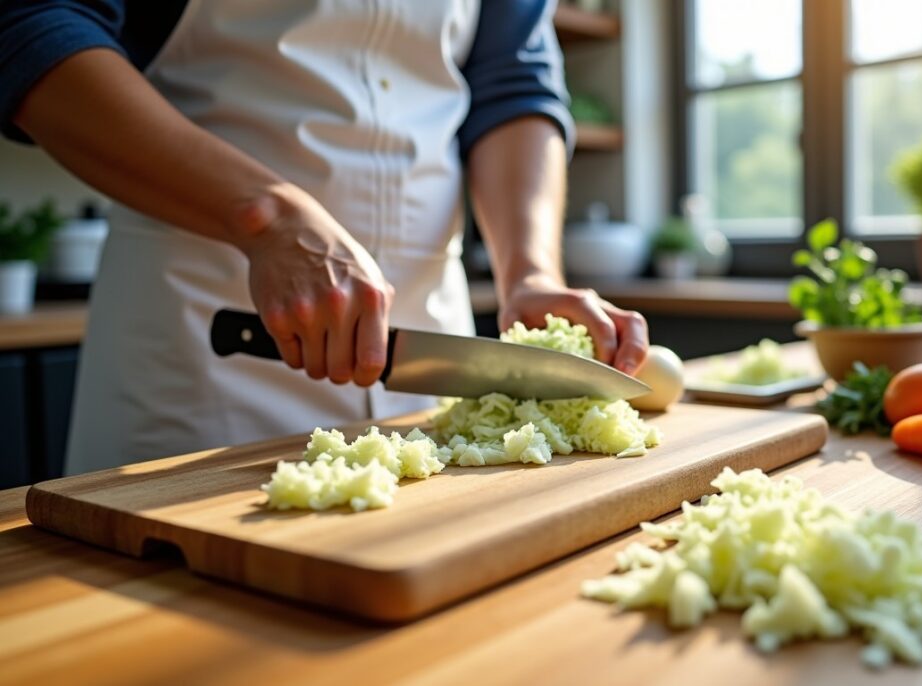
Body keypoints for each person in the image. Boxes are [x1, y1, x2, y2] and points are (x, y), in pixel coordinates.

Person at [0, 0, 649, 474]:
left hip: (429, 364)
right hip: (202, 352)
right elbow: (33, 26)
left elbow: (511, 83)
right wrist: (263, 214)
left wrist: (531, 272)